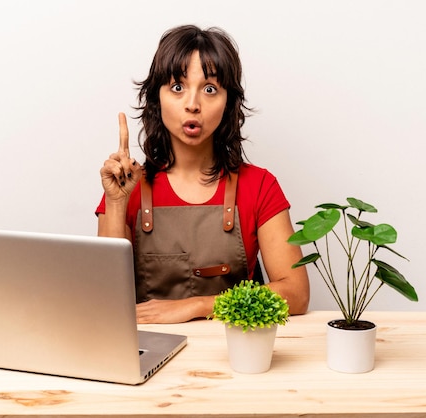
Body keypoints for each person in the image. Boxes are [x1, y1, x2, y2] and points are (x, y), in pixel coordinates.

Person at [96, 25, 309, 324]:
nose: (193, 104)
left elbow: (296, 293)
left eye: (210, 89)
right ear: (156, 98)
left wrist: (196, 306)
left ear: (228, 102)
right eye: (177, 87)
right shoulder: (124, 187)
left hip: (237, 352)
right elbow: (103, 301)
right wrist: (116, 203)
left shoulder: (260, 186)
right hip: (145, 353)